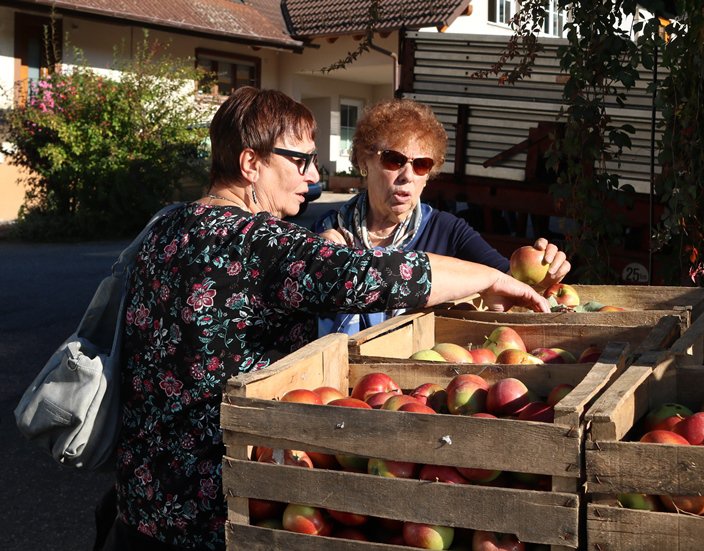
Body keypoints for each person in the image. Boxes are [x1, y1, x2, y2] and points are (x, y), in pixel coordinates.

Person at [100, 87, 550, 551]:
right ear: (250, 164)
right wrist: (495, 280)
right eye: (300, 161)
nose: (314, 176)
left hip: (138, 501)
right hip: (212, 512)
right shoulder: (257, 240)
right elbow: (377, 274)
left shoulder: (165, 227)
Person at [314, 98, 571, 335]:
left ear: (428, 176)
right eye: (394, 159)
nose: (408, 175)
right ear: (363, 160)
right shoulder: (326, 230)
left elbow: (507, 280)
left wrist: (544, 276)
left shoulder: (448, 231)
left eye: (421, 164)